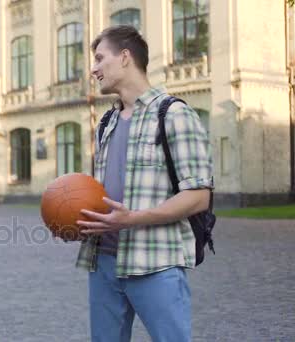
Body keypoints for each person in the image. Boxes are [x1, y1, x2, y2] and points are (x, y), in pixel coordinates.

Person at [76, 26, 213, 342]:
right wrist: (80, 220)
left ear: (125, 58)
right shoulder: (106, 122)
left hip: (156, 261)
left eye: (99, 58)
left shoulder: (174, 114)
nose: (93, 68)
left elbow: (198, 196)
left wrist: (132, 219)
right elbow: (103, 194)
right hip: (104, 262)